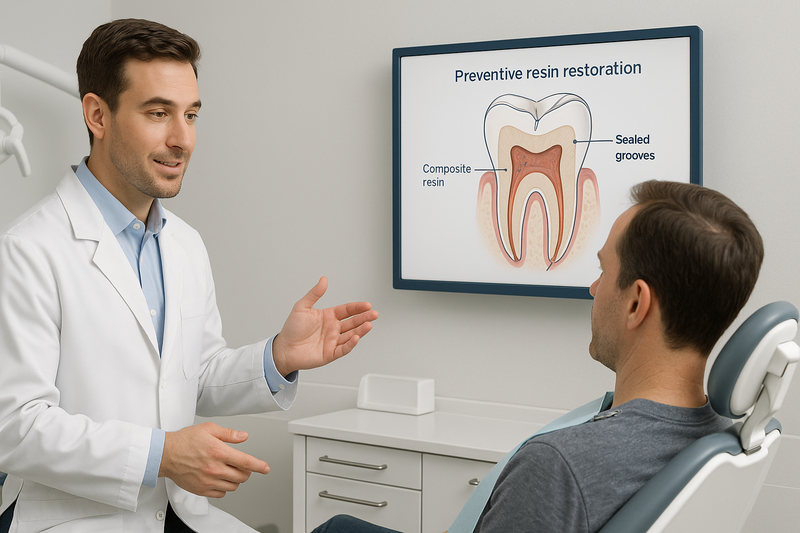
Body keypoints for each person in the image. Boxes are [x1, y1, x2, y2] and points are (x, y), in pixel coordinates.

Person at [0, 19, 378, 533]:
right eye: (158, 113)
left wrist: (277, 358)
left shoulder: (184, 243)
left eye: (191, 115)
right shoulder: (27, 249)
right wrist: (161, 455)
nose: (183, 139)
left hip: (176, 511)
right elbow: (15, 427)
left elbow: (191, 376)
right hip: (75, 519)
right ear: (97, 115)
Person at [312, 179, 764, 533]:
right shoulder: (717, 438)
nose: (593, 288)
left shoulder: (558, 467)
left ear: (635, 303)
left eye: (604, 270)